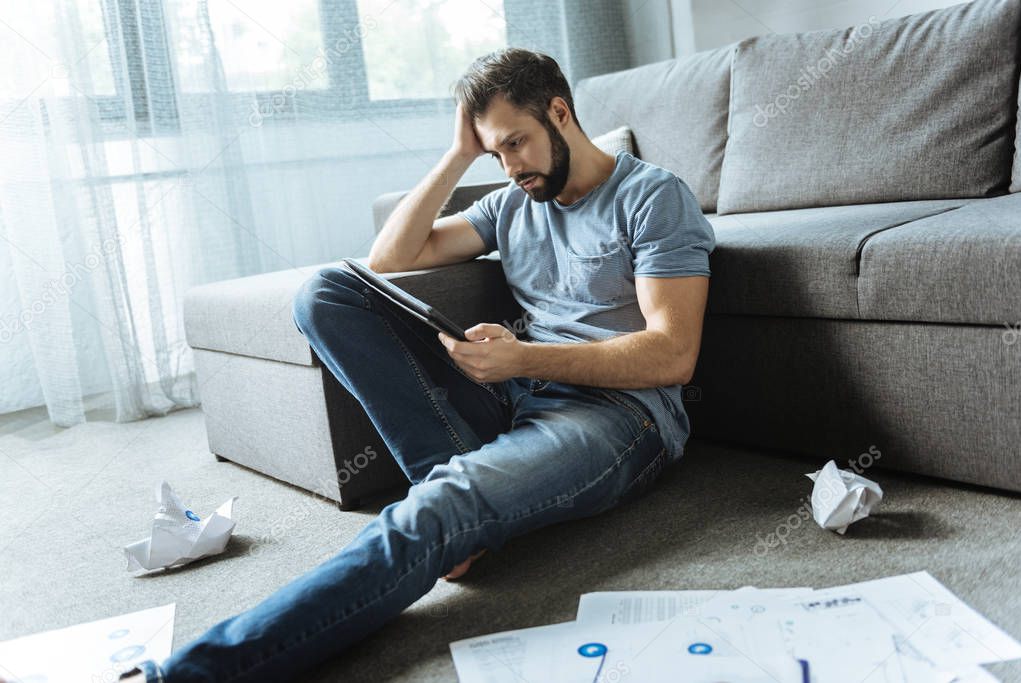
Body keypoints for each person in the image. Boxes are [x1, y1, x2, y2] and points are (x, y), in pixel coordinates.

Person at [121, 46, 715, 682]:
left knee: (432, 512)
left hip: (622, 419)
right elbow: (390, 257)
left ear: (561, 113)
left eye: (516, 143)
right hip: (516, 398)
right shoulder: (513, 203)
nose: (511, 166)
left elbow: (673, 355)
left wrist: (522, 356)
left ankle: (189, 675)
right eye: (495, 153)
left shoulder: (652, 197)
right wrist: (459, 155)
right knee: (326, 291)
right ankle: (467, 517)